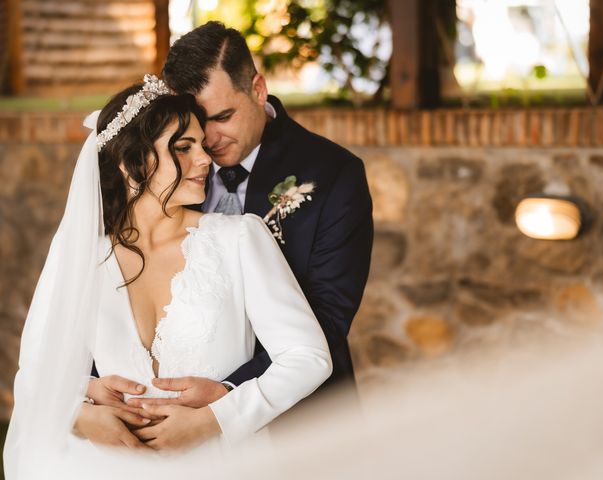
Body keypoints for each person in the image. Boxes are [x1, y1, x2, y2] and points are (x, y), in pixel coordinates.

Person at [3, 75, 332, 479]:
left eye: (201, 145)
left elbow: (308, 357)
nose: (205, 159)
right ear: (132, 162)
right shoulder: (82, 255)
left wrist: (215, 419)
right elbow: (35, 373)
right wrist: (81, 417)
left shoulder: (239, 239)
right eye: (183, 147)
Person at [103, 21, 374, 414]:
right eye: (194, 125)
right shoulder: (165, 176)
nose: (208, 141)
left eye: (222, 116)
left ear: (258, 89)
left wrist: (231, 393)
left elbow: (328, 317)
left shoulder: (334, 174)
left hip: (302, 416)